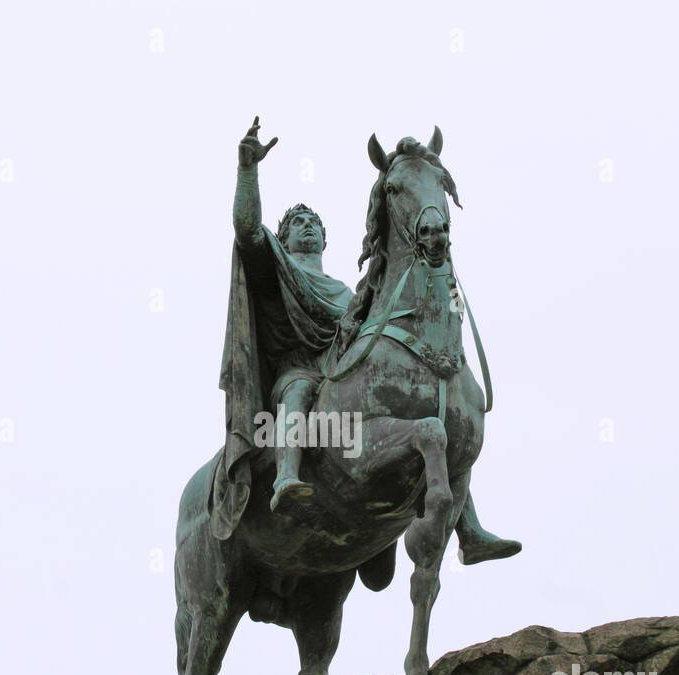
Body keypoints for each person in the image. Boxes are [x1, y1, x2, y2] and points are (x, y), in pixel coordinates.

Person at [222, 117, 519, 564]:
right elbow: (246, 230)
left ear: (326, 238)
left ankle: (467, 527)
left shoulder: (347, 289)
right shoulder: (281, 268)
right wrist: (248, 170)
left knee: (435, 406)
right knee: (300, 390)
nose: (307, 227)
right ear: (283, 238)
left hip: (347, 363)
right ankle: (286, 475)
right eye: (297, 223)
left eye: (314, 223)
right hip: (305, 370)